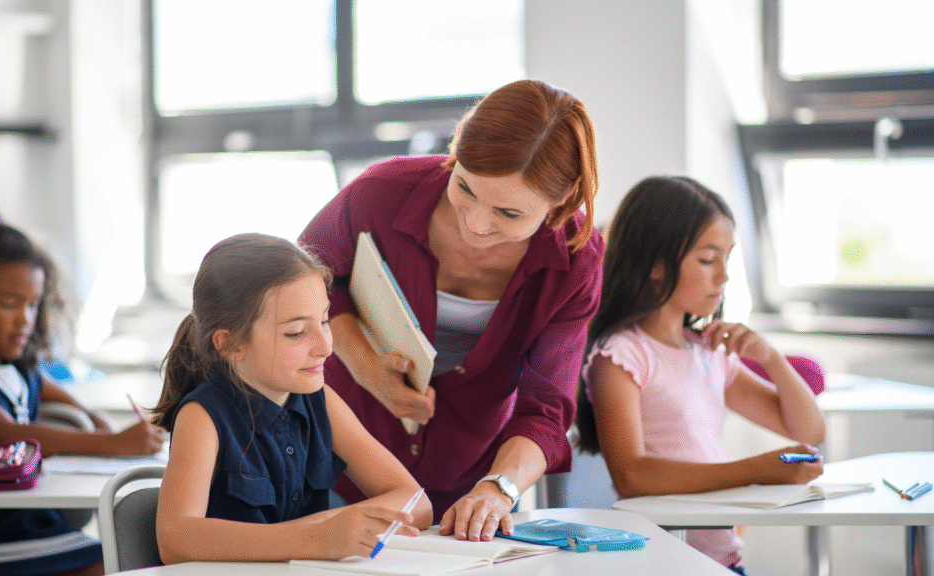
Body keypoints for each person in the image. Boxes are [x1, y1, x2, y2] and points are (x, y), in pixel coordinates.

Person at [299, 79, 604, 542]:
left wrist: (498, 490)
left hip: (465, 487)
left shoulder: (577, 260)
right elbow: (303, 288)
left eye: (508, 214)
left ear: (563, 195)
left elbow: (545, 408)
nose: (476, 224)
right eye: (464, 187)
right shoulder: (378, 194)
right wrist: (365, 366)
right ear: (456, 152)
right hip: (332, 467)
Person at [573, 176, 826, 574]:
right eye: (708, 260)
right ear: (656, 266)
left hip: (722, 562)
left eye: (728, 258)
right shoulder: (621, 356)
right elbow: (631, 476)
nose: (723, 276)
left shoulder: (708, 353)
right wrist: (756, 471)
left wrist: (772, 359)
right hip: (663, 564)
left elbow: (809, 429)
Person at [0, 203, 165, 576]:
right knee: (114, 565)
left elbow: (65, 400)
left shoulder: (17, 368)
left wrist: (96, 420)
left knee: (131, 558)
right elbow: (5, 434)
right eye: (9, 304)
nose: (24, 320)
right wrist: (113, 443)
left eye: (32, 305)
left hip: (28, 523)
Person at [152, 233, 432, 563]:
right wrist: (316, 537)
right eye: (296, 332)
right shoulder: (203, 416)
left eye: (324, 321)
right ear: (230, 344)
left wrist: (330, 529)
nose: (325, 347)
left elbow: (416, 502)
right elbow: (175, 540)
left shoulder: (321, 401)